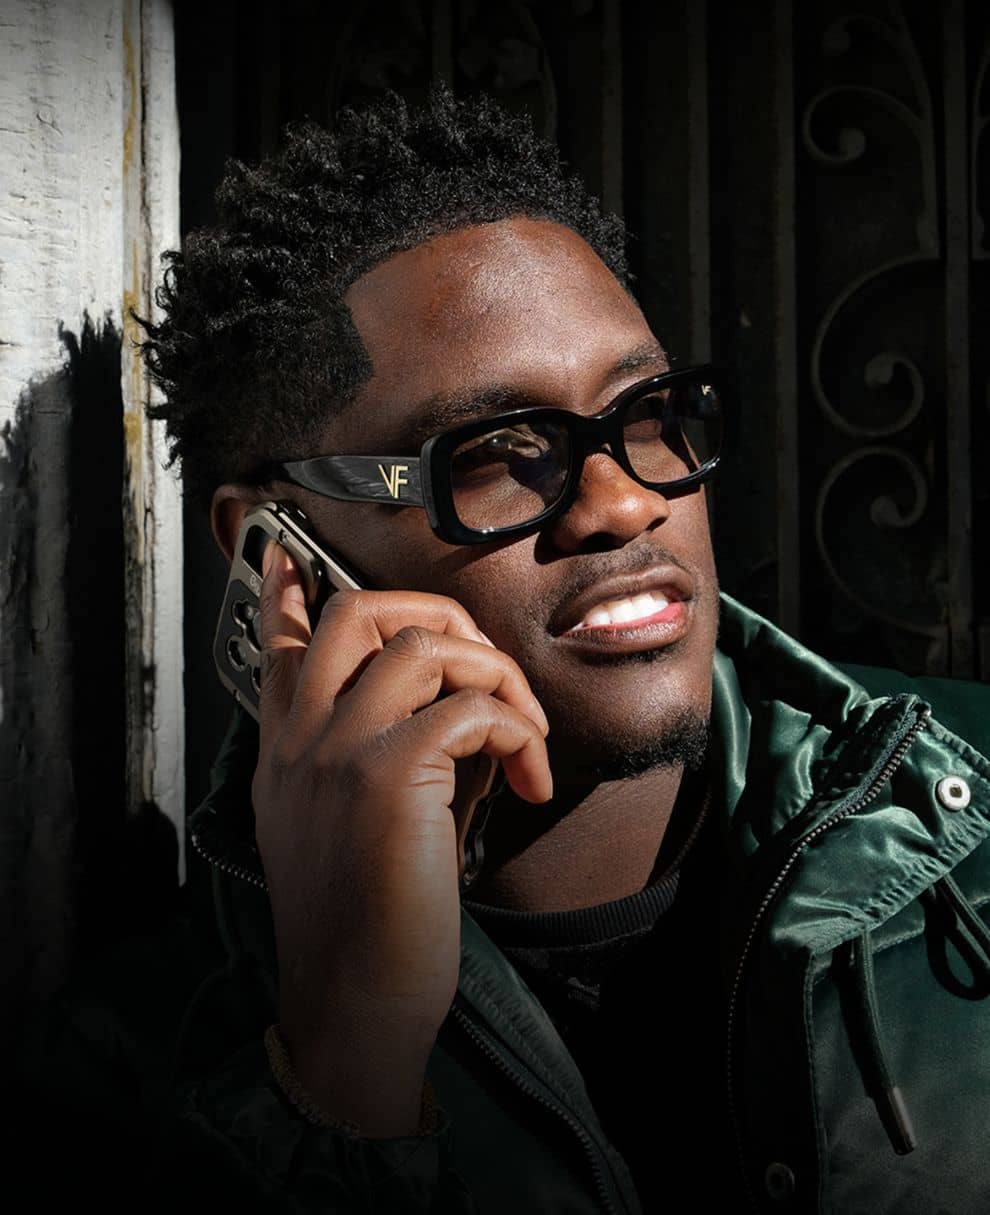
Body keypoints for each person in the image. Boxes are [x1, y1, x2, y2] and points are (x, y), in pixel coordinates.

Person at [39, 87, 990, 1214]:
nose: (624, 501)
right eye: (499, 452)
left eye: (647, 413)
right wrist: (342, 1070)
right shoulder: (137, 1064)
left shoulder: (965, 811)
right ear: (273, 548)